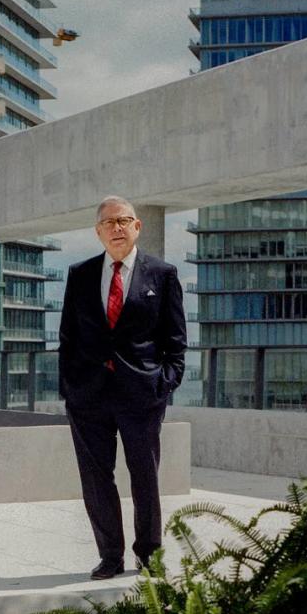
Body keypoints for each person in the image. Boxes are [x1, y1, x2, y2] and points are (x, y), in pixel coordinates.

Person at [59, 197, 187, 579]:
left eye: (124, 221)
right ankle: (110, 556)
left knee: (144, 476)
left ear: (137, 227)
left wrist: (162, 385)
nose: (116, 228)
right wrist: (71, 388)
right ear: (98, 231)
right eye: (108, 222)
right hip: (88, 396)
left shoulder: (162, 274)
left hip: (141, 396)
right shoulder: (80, 274)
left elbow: (176, 341)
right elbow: (69, 336)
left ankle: (149, 556)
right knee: (97, 479)